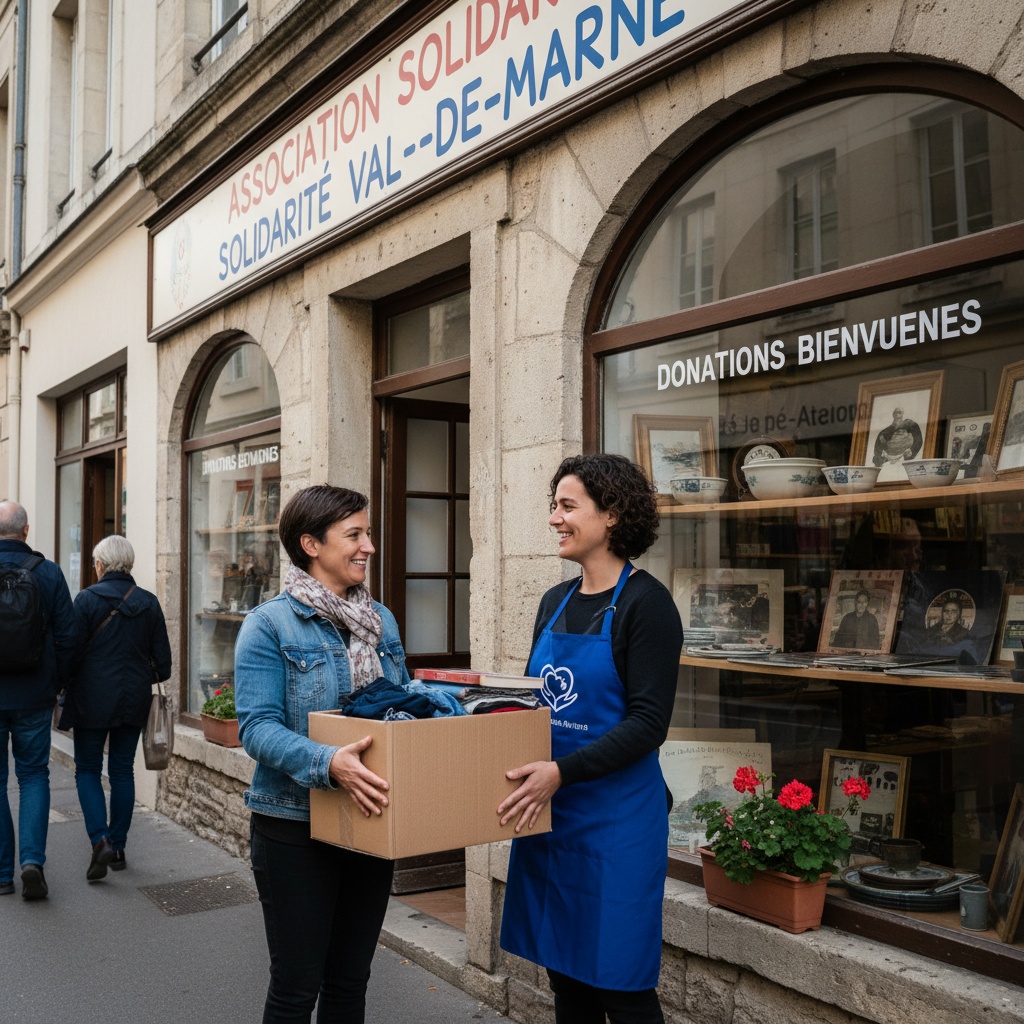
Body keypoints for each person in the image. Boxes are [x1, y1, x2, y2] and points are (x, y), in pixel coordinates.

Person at [498, 454, 683, 1024]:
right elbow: (535, 703)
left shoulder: (646, 605)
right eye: (553, 506)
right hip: (551, 814)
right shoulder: (554, 603)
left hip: (617, 821)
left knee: (621, 985)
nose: (554, 518)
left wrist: (562, 772)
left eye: (567, 506)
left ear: (612, 515)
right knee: (567, 977)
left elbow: (649, 725)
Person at [235, 484, 408, 1024]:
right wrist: (326, 761)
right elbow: (257, 728)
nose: (369, 547)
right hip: (294, 825)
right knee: (295, 987)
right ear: (311, 543)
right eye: (354, 535)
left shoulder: (380, 620)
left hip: (368, 818)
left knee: (349, 982)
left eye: (368, 534)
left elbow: (400, 705)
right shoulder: (268, 625)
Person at [64, 535, 172, 881]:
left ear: (100, 564)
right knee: (123, 770)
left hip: (91, 698)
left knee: (87, 770)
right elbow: (164, 666)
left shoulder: (85, 600)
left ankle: (100, 841)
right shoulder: (148, 602)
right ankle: (120, 847)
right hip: (133, 699)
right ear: (129, 564)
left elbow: (70, 653)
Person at [0, 500, 76, 900]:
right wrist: (57, 685)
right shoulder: (48, 573)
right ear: (26, 531)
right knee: (32, 775)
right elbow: (68, 636)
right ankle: (32, 863)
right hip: (34, 694)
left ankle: (0, 874)